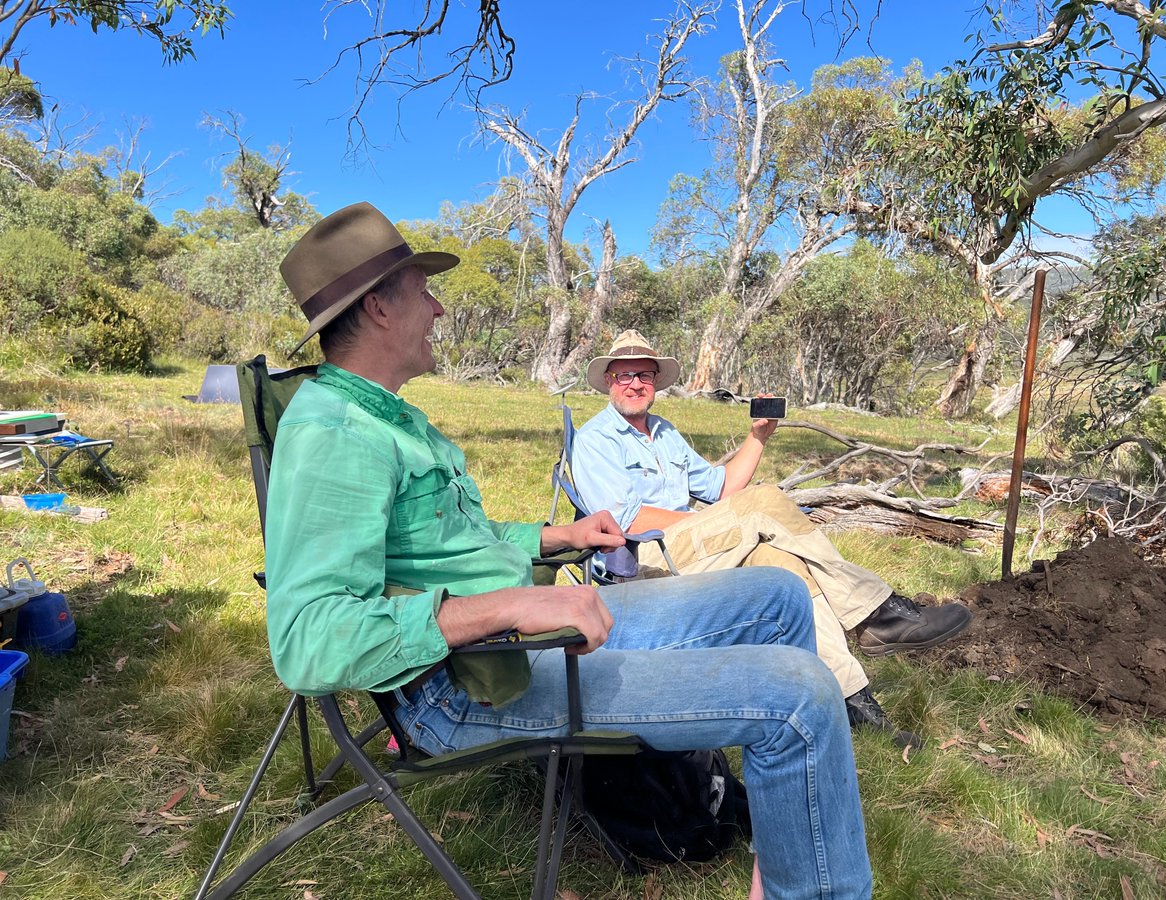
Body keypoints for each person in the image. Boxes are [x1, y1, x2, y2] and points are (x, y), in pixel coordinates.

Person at [265, 203, 872, 899]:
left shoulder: (389, 413)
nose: (436, 309)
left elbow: (455, 545)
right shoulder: (335, 433)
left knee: (779, 596)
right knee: (801, 697)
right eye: (423, 292)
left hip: (515, 636)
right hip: (464, 685)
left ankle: (789, 860)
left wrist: (561, 538)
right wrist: (512, 603)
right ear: (377, 307)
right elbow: (307, 643)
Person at [572, 330, 974, 748]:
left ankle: (856, 704)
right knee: (762, 500)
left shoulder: (664, 432)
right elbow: (627, 521)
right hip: (643, 558)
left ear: (657, 381)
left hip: (685, 544)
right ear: (607, 381)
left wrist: (758, 436)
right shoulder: (596, 440)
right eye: (624, 375)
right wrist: (716, 521)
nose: (635, 384)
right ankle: (882, 613)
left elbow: (720, 488)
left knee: (790, 570)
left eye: (645, 374)